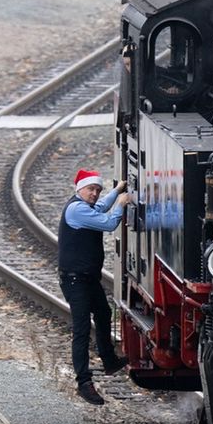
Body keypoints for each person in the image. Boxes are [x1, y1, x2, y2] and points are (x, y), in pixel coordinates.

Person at [59, 168, 133, 405]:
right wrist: (121, 203)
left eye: (97, 190)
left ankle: (109, 360)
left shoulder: (86, 206)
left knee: (103, 313)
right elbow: (110, 223)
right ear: (79, 188)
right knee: (81, 330)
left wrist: (116, 191)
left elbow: (100, 207)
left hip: (87, 278)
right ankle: (84, 382)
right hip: (75, 280)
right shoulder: (76, 209)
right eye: (91, 189)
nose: (94, 194)